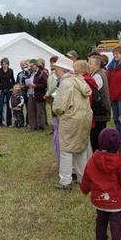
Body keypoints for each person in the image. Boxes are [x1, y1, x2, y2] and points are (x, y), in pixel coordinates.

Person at [52, 60, 93, 189]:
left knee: (66, 149)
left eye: (56, 70)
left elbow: (59, 105)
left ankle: (65, 181)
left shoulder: (66, 83)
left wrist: (56, 110)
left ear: (63, 70)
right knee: (80, 148)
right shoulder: (80, 80)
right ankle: (82, 178)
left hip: (70, 119)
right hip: (84, 117)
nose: (55, 72)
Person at [88, 54, 112, 151]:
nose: (88, 65)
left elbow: (90, 91)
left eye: (90, 63)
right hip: (100, 111)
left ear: (97, 65)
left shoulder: (98, 76)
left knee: (97, 137)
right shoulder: (96, 74)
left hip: (100, 111)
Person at [45, 56, 60, 161]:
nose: (51, 64)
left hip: (55, 96)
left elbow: (53, 86)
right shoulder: (51, 74)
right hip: (51, 96)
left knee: (56, 113)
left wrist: (47, 94)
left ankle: (57, 128)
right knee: (53, 113)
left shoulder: (56, 74)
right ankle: (55, 128)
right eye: (51, 63)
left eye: (53, 62)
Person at [0, 58, 15, 127]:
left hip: (8, 90)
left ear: (8, 64)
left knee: (9, 106)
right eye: (3, 64)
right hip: (1, 90)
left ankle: (9, 123)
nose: (4, 65)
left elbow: (13, 80)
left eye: (5, 64)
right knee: (0, 106)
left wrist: (12, 88)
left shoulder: (11, 71)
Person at [29, 58, 48, 130]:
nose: (31, 68)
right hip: (32, 93)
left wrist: (36, 86)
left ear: (36, 65)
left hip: (39, 94)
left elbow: (45, 84)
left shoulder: (42, 73)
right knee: (32, 110)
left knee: (40, 111)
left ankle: (41, 126)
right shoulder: (32, 73)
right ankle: (33, 126)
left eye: (32, 66)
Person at [16, 60, 32, 125]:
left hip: (28, 92)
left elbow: (31, 82)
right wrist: (18, 86)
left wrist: (25, 85)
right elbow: (16, 83)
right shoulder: (19, 74)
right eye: (21, 65)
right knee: (20, 108)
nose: (23, 66)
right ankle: (21, 122)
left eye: (24, 65)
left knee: (28, 108)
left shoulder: (30, 73)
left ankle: (28, 122)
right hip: (21, 93)